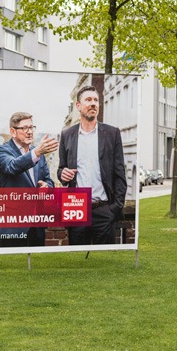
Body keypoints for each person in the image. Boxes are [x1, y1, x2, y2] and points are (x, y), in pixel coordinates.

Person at [57, 86, 127, 245]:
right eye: (88, 100)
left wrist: (114, 209)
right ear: (78, 106)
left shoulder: (111, 134)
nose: (93, 104)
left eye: (96, 100)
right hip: (76, 208)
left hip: (104, 209)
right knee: (77, 260)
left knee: (104, 261)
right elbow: (61, 169)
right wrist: (63, 174)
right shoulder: (67, 135)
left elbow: (120, 174)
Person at [0, 112, 58, 247]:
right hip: (12, 225)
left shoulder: (37, 152)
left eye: (31, 127)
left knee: (36, 266)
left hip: (36, 223)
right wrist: (37, 153)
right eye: (24, 128)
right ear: (13, 131)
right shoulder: (2, 150)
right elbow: (12, 167)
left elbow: (48, 180)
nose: (29, 132)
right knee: (11, 266)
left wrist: (47, 187)